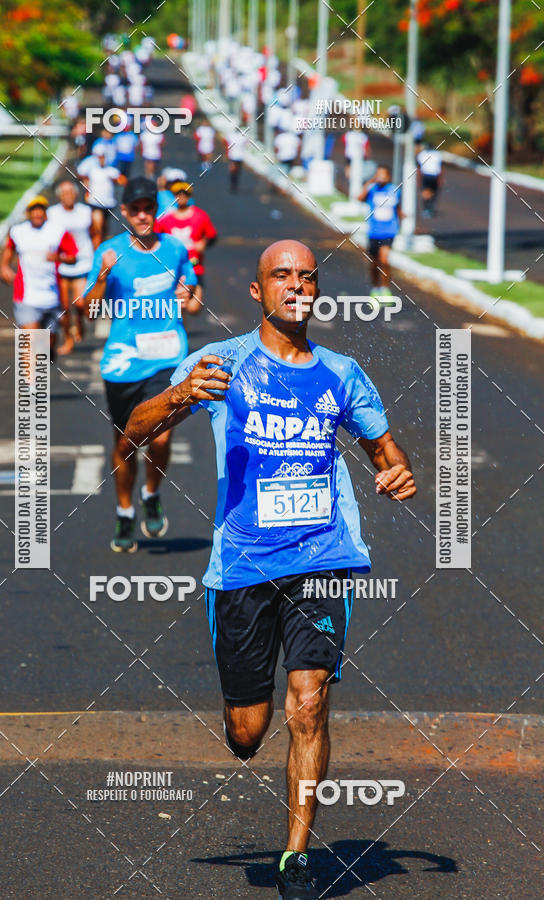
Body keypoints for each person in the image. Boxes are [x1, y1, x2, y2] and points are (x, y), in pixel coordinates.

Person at [123, 239, 416, 900]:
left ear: (317, 290)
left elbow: (385, 449)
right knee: (247, 733)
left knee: (309, 703)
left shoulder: (341, 373)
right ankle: (247, 736)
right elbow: (133, 430)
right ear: (257, 291)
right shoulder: (219, 364)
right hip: (245, 566)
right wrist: (176, 395)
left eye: (306, 277)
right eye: (281, 276)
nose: (296, 285)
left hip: (323, 556)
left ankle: (296, 857)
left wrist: (396, 471)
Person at [83, 176, 199, 552]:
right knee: (125, 446)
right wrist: (103, 274)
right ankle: (125, 511)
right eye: (136, 209)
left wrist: (189, 294)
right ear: (125, 212)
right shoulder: (109, 252)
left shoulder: (175, 249)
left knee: (162, 437)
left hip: (167, 356)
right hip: (124, 362)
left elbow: (193, 298)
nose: (144, 215)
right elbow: (89, 307)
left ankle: (151, 492)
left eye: (149, 207)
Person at [0, 196, 78, 358]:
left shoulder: (57, 232)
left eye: (40, 210)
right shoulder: (18, 232)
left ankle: (41, 371)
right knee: (30, 344)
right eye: (33, 210)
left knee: (46, 348)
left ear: (45, 213)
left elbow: (73, 256)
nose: (37, 214)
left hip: (51, 297)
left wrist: (58, 258)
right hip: (26, 297)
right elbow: (9, 249)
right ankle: (30, 384)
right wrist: (4, 266)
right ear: (28, 213)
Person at [48, 181, 98, 355]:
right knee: (63, 307)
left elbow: (94, 233)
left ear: (76, 194)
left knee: (80, 302)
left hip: (83, 261)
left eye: (71, 191)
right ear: (59, 195)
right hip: (61, 264)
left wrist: (97, 255)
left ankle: (80, 321)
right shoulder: (52, 213)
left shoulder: (85, 212)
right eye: (64, 192)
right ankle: (68, 339)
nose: (68, 195)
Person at [154, 180, 217, 296]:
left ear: (189, 196)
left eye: (185, 194)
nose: (181, 197)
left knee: (194, 307)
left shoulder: (200, 216)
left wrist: (204, 243)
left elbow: (212, 236)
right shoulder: (166, 219)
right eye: (178, 194)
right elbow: (154, 236)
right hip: (172, 268)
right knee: (178, 305)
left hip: (195, 267)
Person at [358, 165, 402, 298]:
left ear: (389, 176)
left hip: (389, 231)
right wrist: (370, 182)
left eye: (384, 174)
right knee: (374, 263)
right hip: (373, 231)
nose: (381, 177)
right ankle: (375, 288)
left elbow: (397, 208)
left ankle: (385, 289)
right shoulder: (372, 190)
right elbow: (359, 198)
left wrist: (401, 220)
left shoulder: (394, 190)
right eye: (379, 174)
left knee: (385, 260)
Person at [77, 148, 125, 242]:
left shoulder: (111, 171)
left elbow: (122, 180)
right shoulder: (92, 170)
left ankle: (103, 243)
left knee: (104, 227)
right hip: (95, 203)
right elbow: (82, 177)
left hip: (108, 203)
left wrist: (115, 180)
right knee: (97, 227)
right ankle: (96, 249)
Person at [416, 143, 443, 218]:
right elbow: (441, 168)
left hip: (427, 176)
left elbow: (419, 169)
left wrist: (418, 180)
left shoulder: (422, 154)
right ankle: (428, 208)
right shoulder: (437, 155)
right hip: (433, 175)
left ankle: (428, 208)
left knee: (427, 193)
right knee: (430, 193)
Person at [223, 129, 248, 193]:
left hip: (237, 155)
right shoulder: (242, 137)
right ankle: (233, 185)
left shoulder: (231, 136)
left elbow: (225, 142)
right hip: (235, 156)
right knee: (234, 170)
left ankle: (234, 184)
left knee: (236, 171)